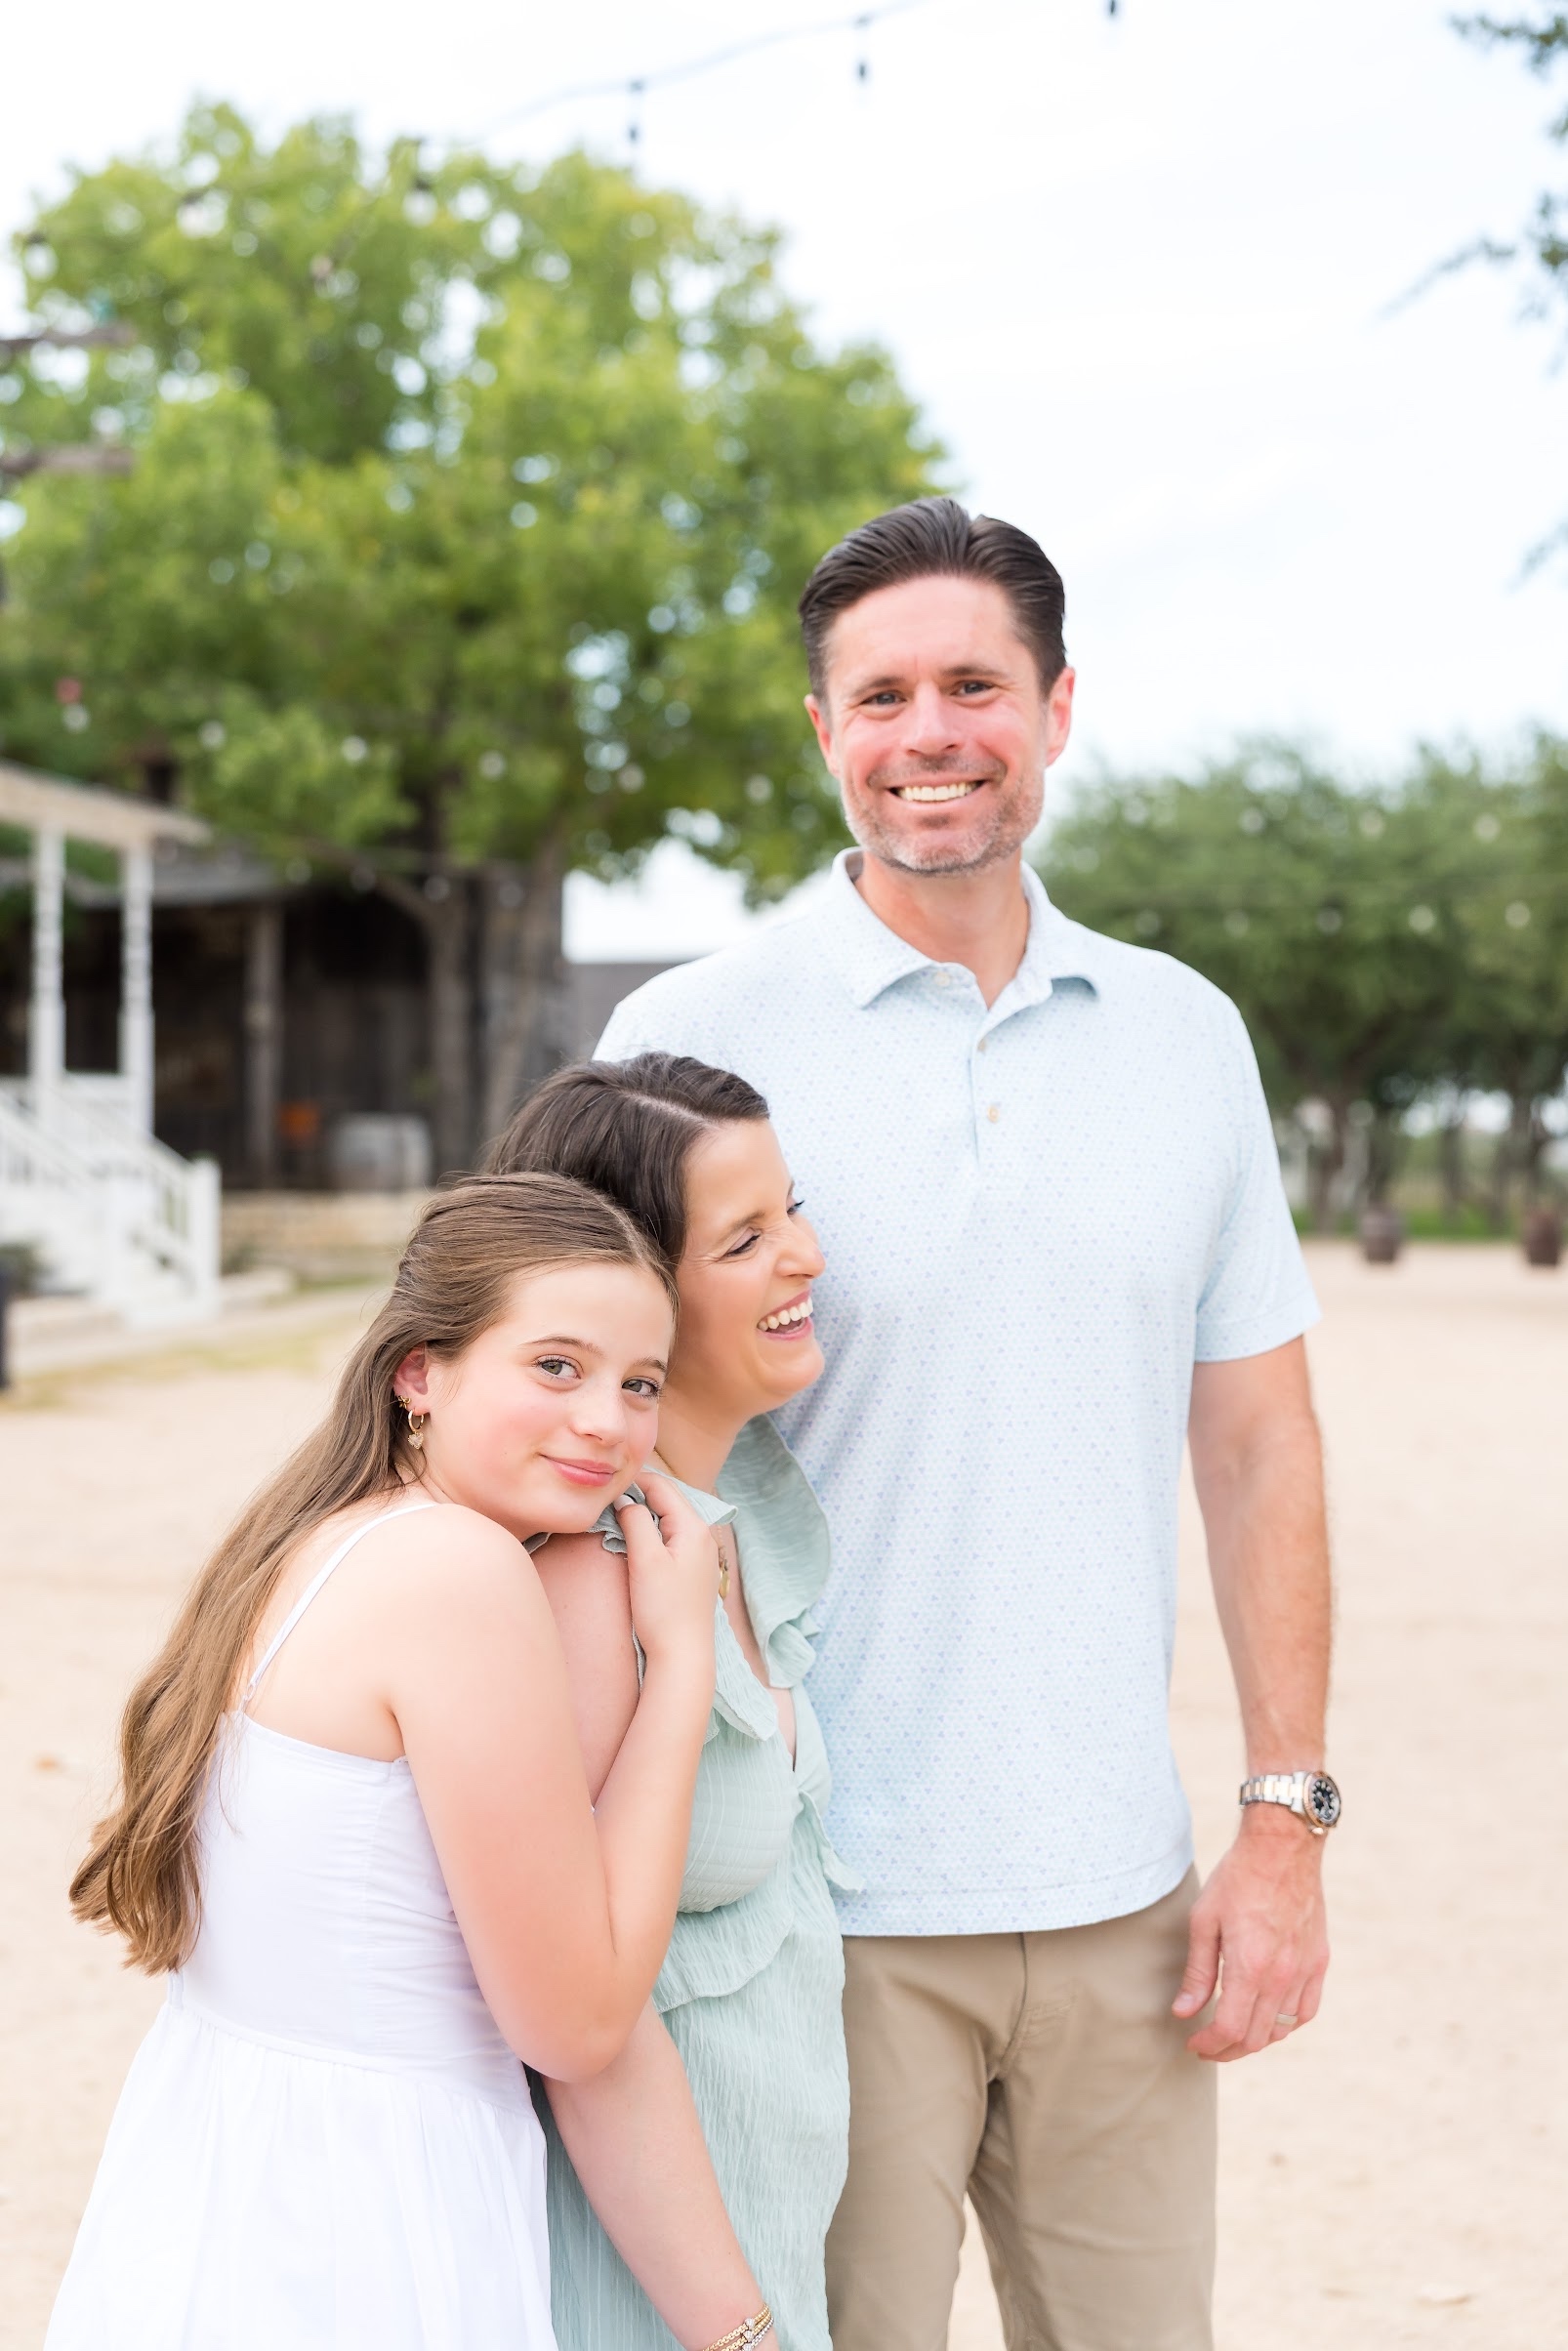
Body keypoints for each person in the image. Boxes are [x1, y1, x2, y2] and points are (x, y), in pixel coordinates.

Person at [596, 496, 1338, 2351]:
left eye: (974, 685)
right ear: (824, 732)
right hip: (799, 1901)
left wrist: (1282, 1819)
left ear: (1059, 705)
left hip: (1122, 1899)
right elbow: (584, 1442)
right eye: (882, 695)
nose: (931, 734)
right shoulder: (688, 1036)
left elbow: (1256, 1442)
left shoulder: (1187, 1037)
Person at [47, 1175, 722, 2351]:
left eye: (640, 1382)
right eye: (556, 1365)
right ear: (420, 1370)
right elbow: (576, 2023)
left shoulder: (316, 1534)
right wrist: (681, 1668)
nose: (608, 1420)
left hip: (214, 2185)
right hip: (360, 2225)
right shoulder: (458, 1572)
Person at [483, 1054, 850, 2351]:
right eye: (746, 1239)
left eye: (792, 1210)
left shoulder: (748, 1521)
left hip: (760, 2248)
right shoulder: (593, 1580)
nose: (804, 1255)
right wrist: (736, 2330)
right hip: (639, 2291)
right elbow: (584, 2024)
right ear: (628, 1290)